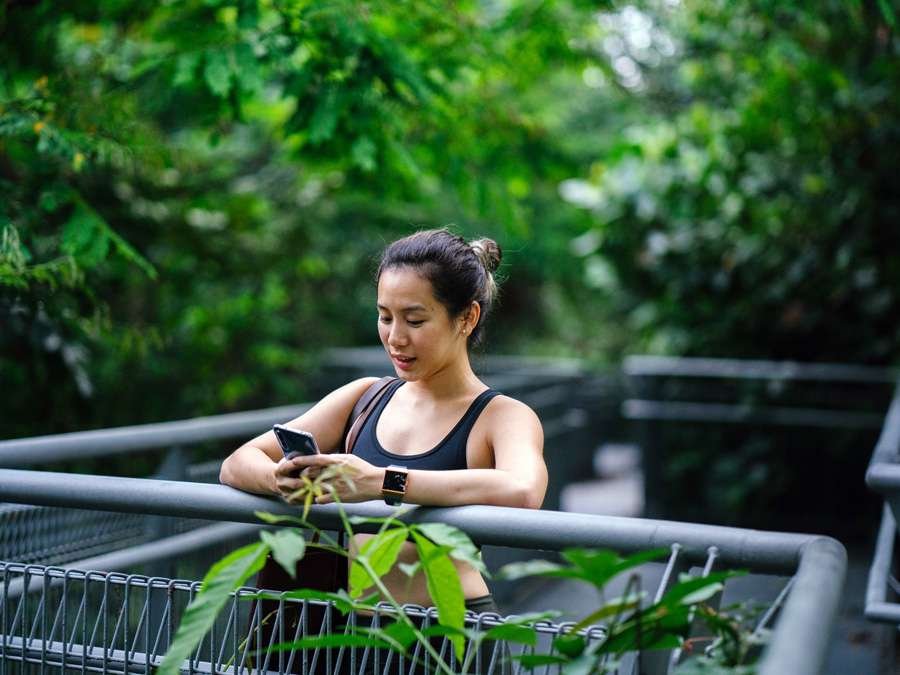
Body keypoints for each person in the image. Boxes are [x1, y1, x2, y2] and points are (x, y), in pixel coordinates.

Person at [220, 228, 547, 615]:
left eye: (414, 320)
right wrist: (281, 479)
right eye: (385, 316)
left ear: (467, 317)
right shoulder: (365, 397)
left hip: (450, 635)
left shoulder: (502, 415)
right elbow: (237, 463)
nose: (395, 337)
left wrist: (379, 482)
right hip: (354, 638)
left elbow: (523, 491)